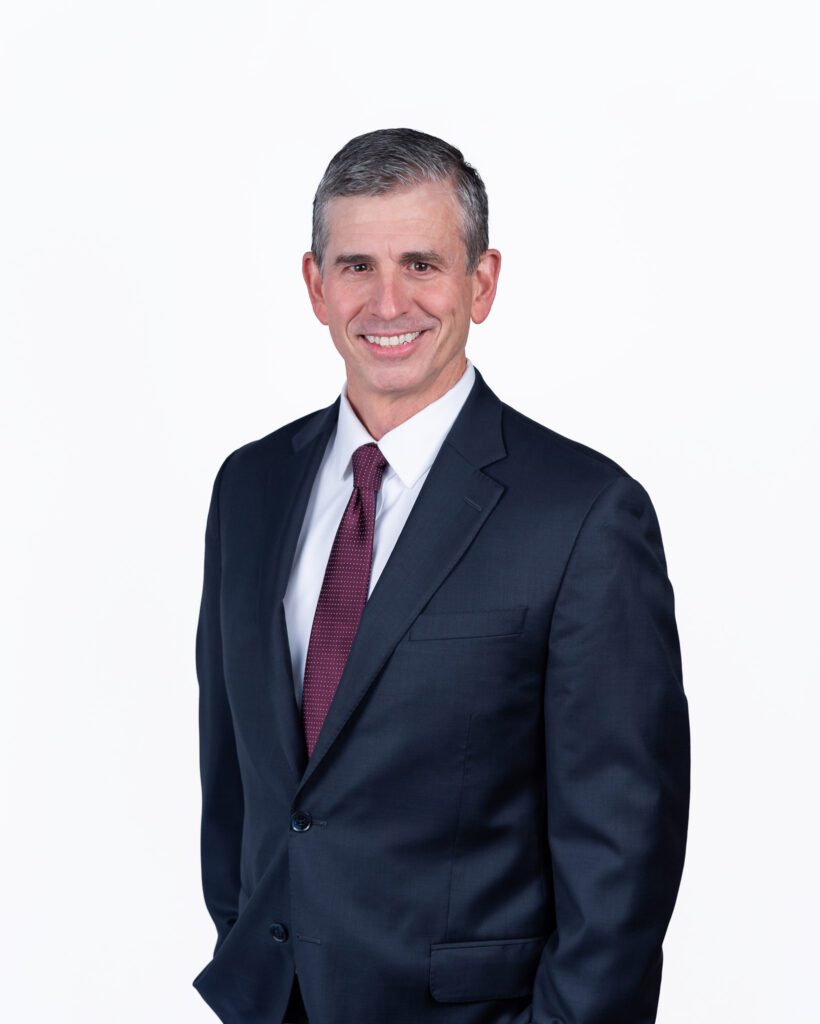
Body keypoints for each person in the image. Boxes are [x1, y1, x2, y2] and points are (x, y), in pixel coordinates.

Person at [192, 128, 690, 1024]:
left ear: (482, 282)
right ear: (315, 285)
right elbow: (236, 785)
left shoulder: (583, 514)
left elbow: (621, 862)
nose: (388, 302)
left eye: (422, 263)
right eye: (356, 266)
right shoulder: (250, 489)